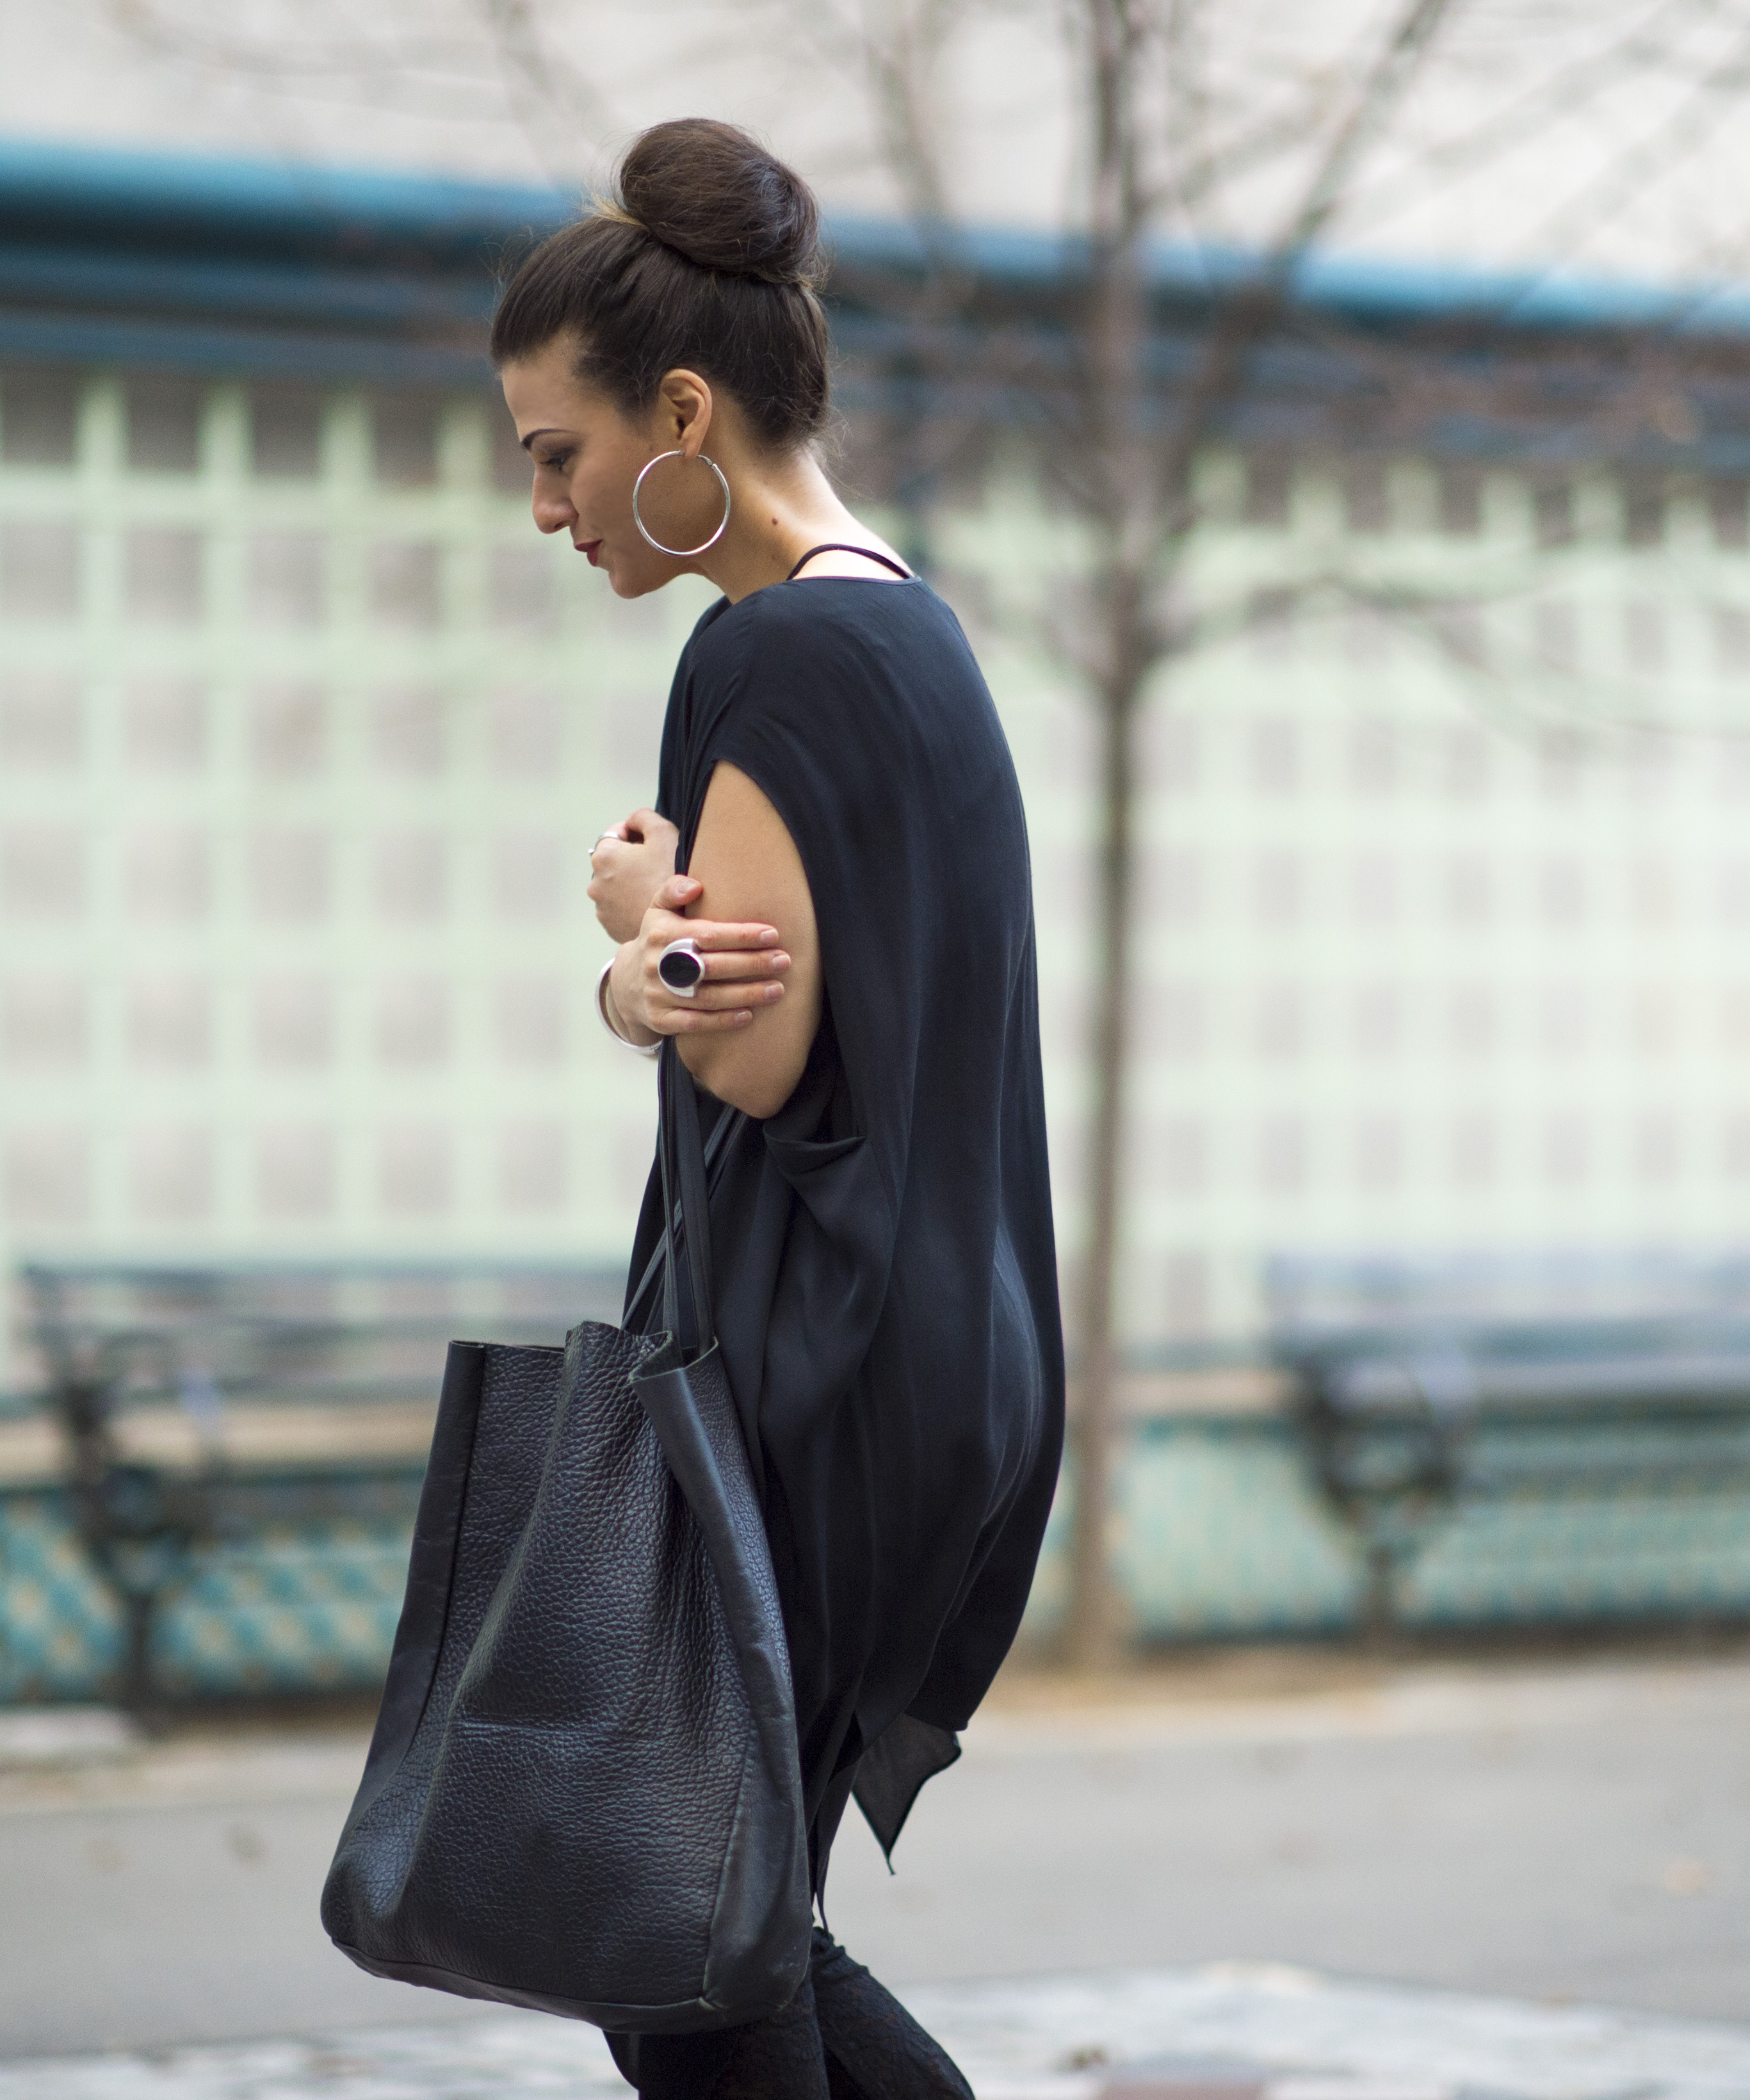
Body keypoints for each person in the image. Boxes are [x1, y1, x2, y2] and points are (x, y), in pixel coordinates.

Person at [489, 118, 1066, 2100]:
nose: (547, 507)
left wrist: (626, 936)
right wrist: (653, 968)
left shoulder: (778, 649)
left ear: (678, 411)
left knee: (675, 1926)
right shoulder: (903, 613)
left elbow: (739, 1040)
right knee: (728, 1922)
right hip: (933, 1366)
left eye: (558, 454)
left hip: (821, 1375)